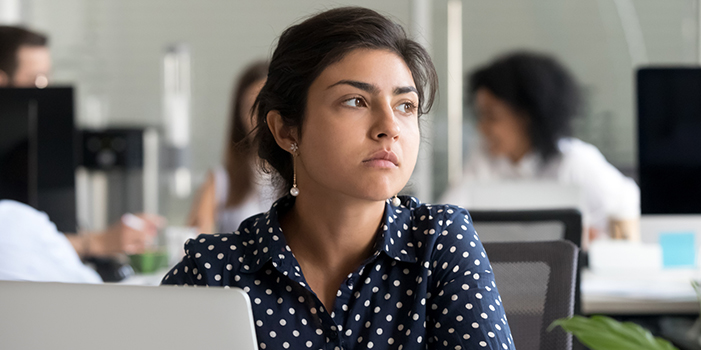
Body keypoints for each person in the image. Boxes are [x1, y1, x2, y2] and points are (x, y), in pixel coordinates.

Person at [162, 7, 515, 350]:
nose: (389, 127)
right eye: (355, 101)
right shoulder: (214, 272)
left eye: (405, 105)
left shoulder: (439, 243)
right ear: (286, 130)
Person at [0, 25, 162, 280]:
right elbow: (14, 241)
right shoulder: (14, 159)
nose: (46, 88)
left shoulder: (34, 148)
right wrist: (96, 242)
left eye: (47, 78)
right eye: (36, 80)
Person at [442, 51, 640, 243]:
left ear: (526, 117)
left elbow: (628, 206)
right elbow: (447, 217)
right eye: (480, 115)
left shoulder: (574, 161)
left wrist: (600, 242)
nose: (481, 127)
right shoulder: (484, 157)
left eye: (492, 116)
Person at [187, 61, 274, 234]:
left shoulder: (301, 175)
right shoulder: (221, 180)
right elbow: (193, 239)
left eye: (266, 107)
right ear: (239, 115)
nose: (259, 117)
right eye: (251, 108)